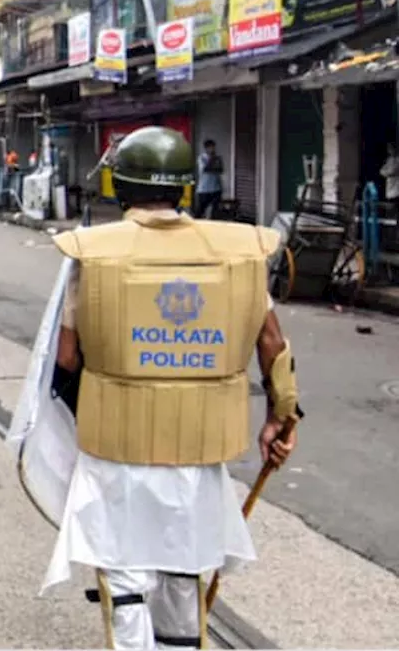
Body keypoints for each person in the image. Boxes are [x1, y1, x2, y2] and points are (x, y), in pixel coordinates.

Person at [46, 126, 301, 650]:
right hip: (199, 448)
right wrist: (282, 417)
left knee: (124, 572)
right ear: (185, 187)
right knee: (184, 564)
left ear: (120, 186)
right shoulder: (241, 253)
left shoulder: (92, 256)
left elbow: (67, 357)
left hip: (115, 446)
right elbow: (272, 346)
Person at [194, 138, 224, 219]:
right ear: (206, 148)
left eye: (213, 147)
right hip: (204, 189)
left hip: (216, 188)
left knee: (215, 210)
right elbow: (205, 169)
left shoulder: (218, 158)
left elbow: (220, 169)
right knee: (200, 209)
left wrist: (216, 163)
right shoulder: (202, 158)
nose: (213, 149)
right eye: (211, 147)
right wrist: (212, 159)